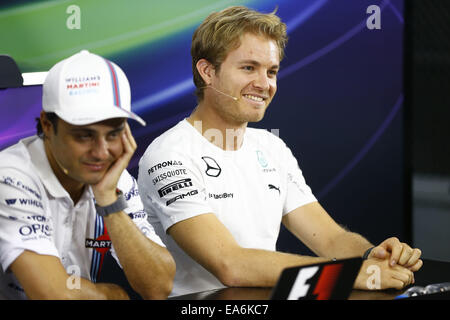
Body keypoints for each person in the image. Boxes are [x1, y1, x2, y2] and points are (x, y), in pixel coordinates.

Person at [137, 6, 422, 297]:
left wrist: (372, 256)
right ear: (208, 71)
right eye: (248, 68)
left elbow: (331, 238)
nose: (264, 84)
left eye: (271, 71)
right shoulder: (168, 155)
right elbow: (230, 264)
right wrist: (354, 276)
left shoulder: (271, 147)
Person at [0, 50, 175, 300]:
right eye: (84, 135)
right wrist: (112, 295)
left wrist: (108, 200)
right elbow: (52, 294)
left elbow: (158, 286)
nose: (101, 152)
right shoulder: (9, 176)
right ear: (48, 126)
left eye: (113, 133)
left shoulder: (113, 178)